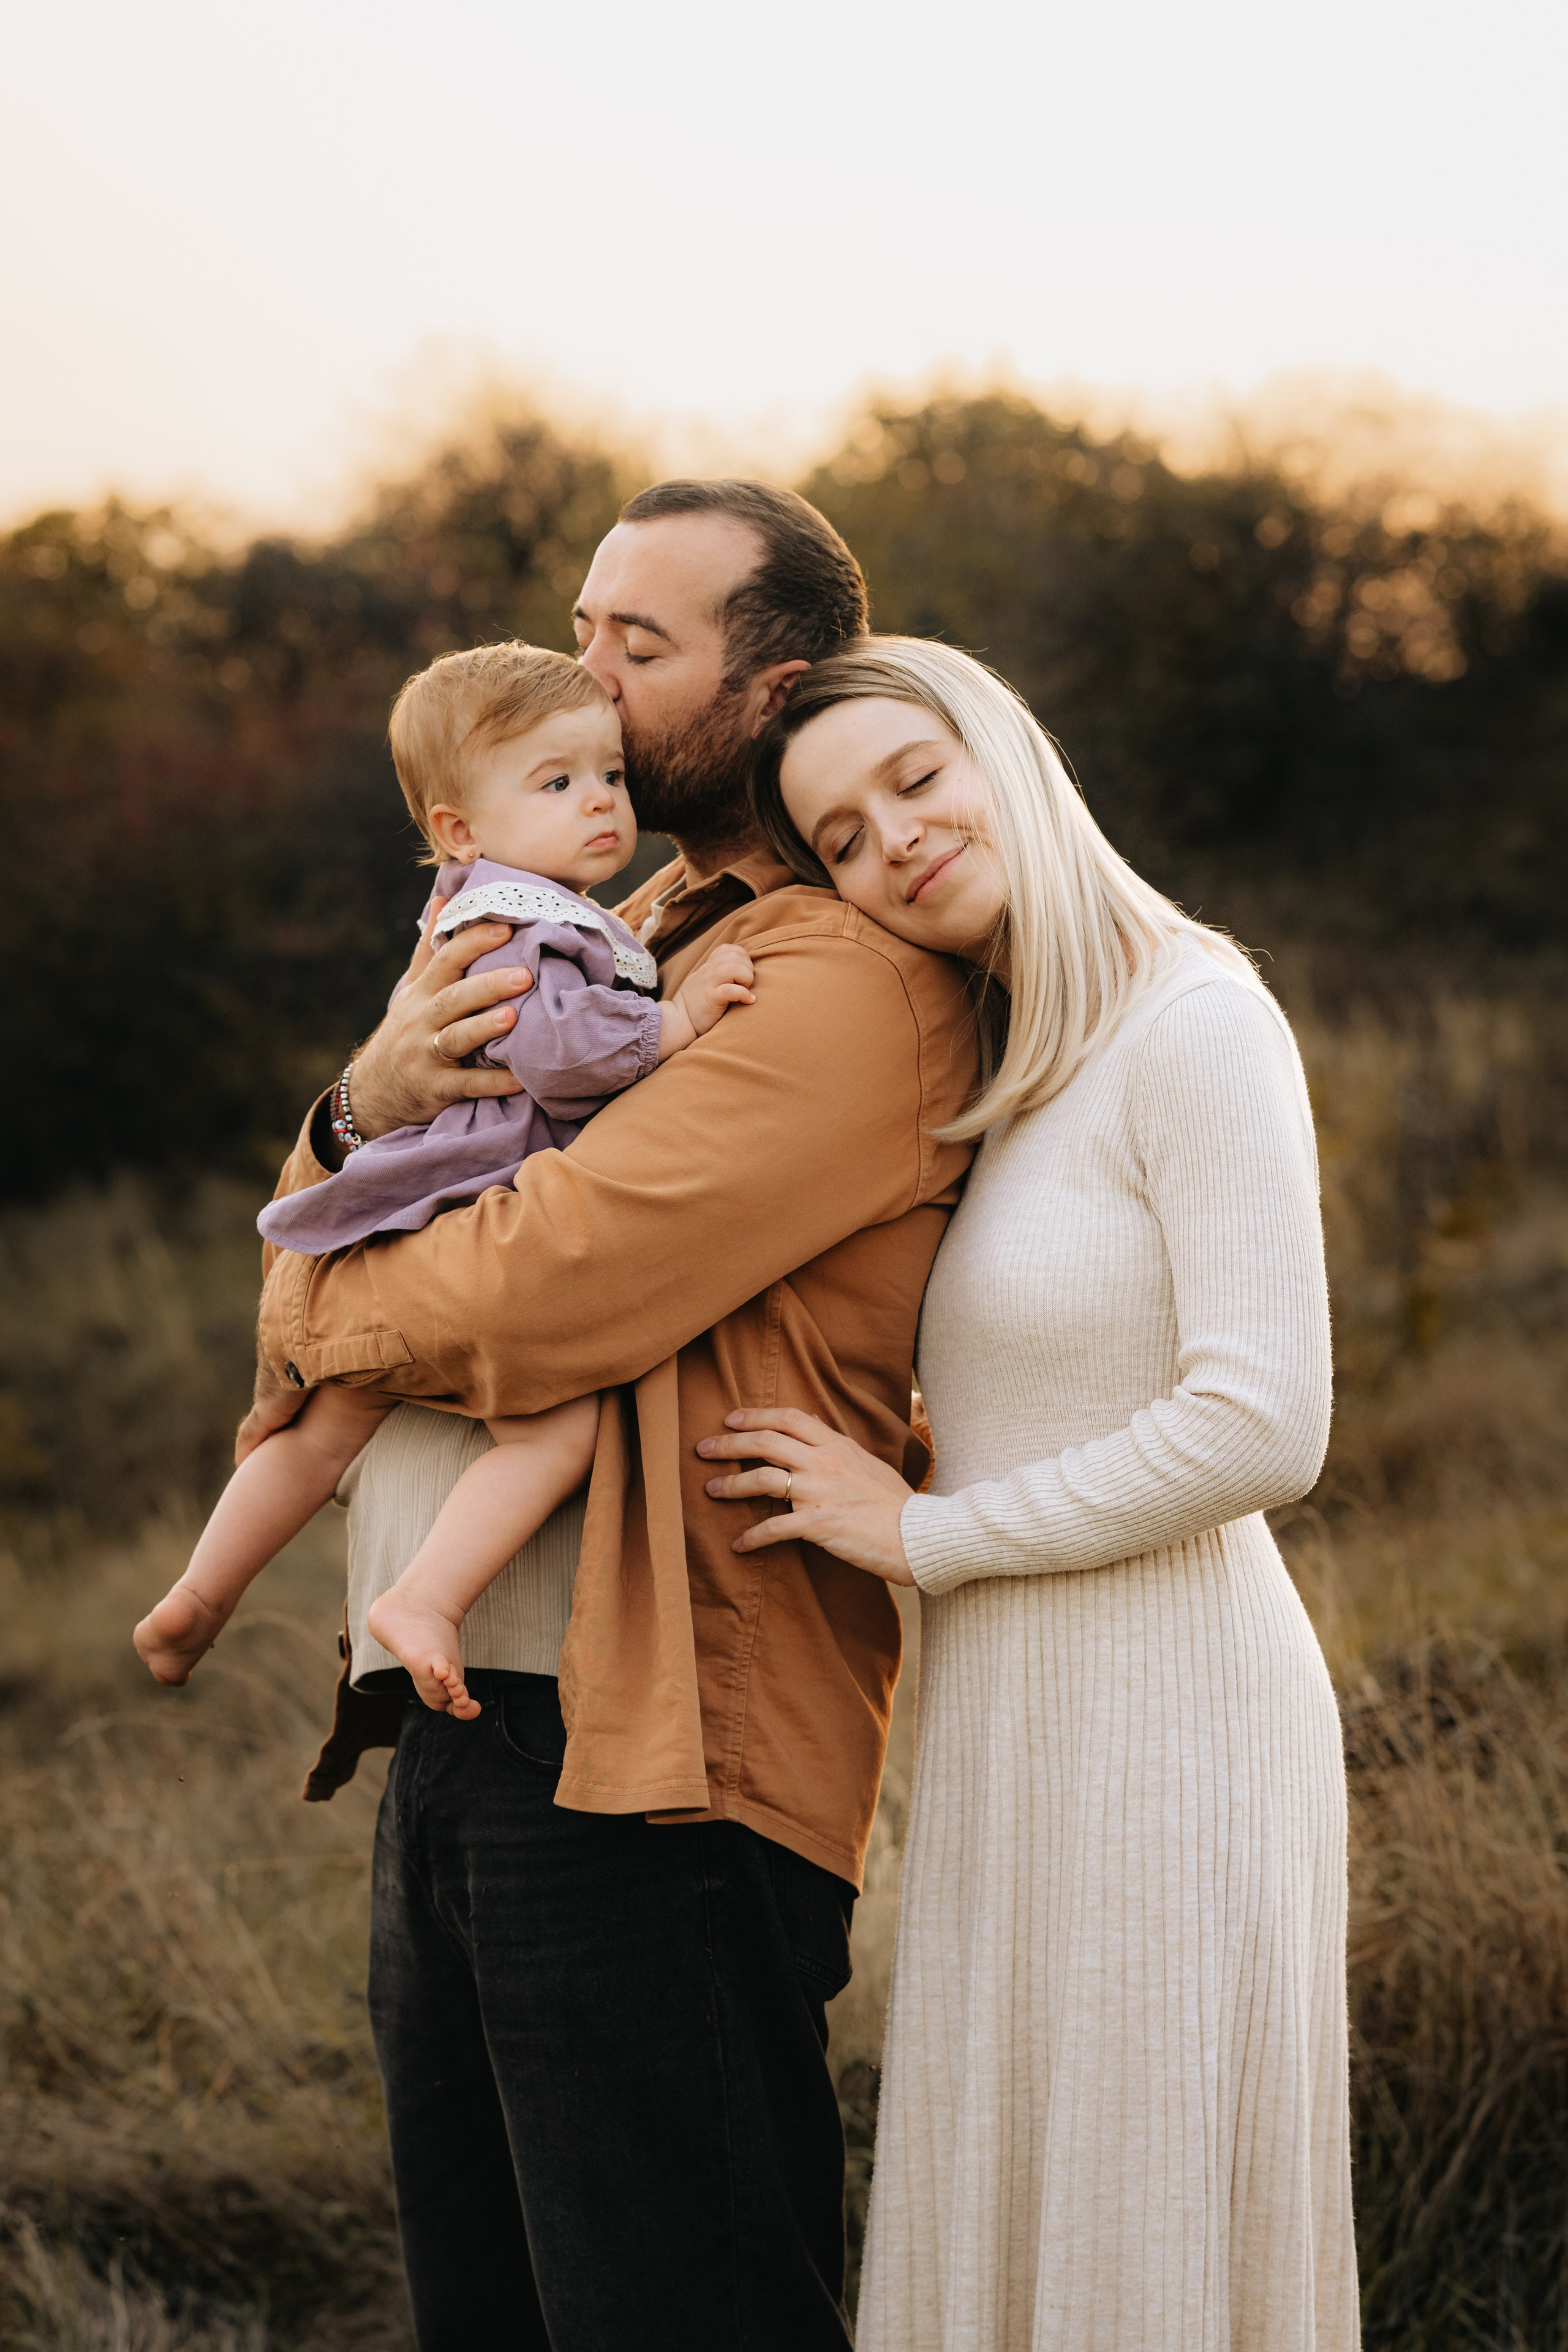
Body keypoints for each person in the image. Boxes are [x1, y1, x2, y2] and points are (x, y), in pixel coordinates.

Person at [241, 484, 980, 2351]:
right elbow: (341, 1186)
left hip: (651, 1767)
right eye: (584, 629)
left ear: (771, 683)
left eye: (637, 648)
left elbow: (526, 1289)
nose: (589, 678)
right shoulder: (623, 929)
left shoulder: (835, 981)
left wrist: (323, 1300)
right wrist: (348, 1112)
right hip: (466, 1724)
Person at [702, 637, 1359, 2350]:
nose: (892, 844)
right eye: (839, 839)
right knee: (1018, 2217)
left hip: (1175, 1722)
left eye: (915, 781)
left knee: (1136, 2236)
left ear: (1007, 748)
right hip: (1012, 1718)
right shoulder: (1005, 1065)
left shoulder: (1194, 1017)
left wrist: (913, 1532)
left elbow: (1264, 1424)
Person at [134, 643, 753, 1714]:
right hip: (476, 1201)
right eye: (556, 784)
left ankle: (198, 1592)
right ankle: (427, 1595)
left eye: (608, 774)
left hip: (408, 1202)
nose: (602, 803)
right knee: (559, 1429)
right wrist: (680, 1021)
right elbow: (559, 1052)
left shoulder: (493, 901)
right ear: (459, 828)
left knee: (325, 1425)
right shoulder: (534, 922)